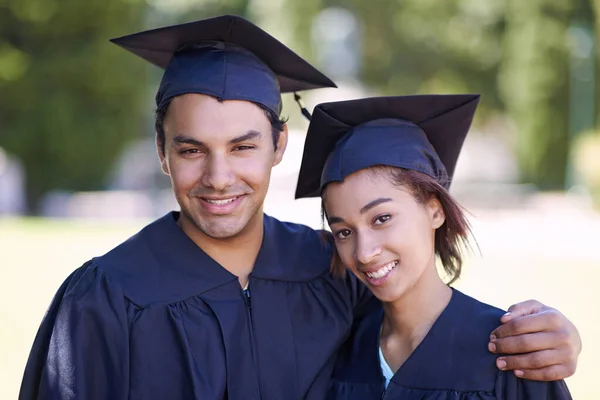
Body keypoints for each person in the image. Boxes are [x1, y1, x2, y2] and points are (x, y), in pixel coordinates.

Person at [19, 15, 580, 400]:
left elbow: (426, 330)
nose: (219, 178)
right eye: (191, 150)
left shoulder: (331, 271)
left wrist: (557, 338)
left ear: (279, 146)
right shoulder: (104, 298)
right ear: (162, 151)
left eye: (243, 146)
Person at [294, 94, 573, 399]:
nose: (364, 252)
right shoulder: (343, 349)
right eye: (344, 232)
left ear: (435, 210)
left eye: (382, 218)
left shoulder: (510, 352)